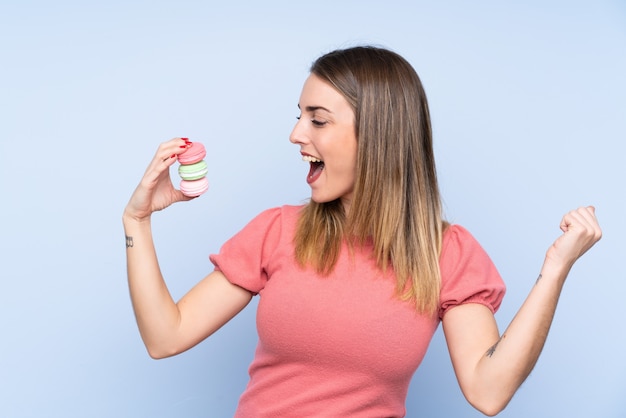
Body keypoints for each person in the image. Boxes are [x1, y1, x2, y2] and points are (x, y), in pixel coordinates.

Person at [123, 46, 602, 417]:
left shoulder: (448, 254)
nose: (296, 134)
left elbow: (488, 391)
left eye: (318, 119)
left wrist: (555, 270)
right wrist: (137, 221)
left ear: (377, 134)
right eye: (299, 115)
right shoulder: (277, 231)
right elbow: (166, 337)